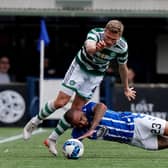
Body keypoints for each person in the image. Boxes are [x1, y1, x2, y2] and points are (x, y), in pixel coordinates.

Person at [23, 19, 136, 155]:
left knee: (76, 111)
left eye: (114, 39)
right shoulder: (95, 33)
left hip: (95, 75)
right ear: (105, 31)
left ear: (119, 36)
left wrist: (126, 88)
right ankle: (34, 122)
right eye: (108, 38)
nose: (110, 42)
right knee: (61, 102)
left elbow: (122, 67)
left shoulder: (122, 46)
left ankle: (52, 139)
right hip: (79, 68)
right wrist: (97, 48)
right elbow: (89, 48)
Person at [55, 101, 168, 151]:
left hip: (136, 122)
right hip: (133, 140)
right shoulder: (78, 132)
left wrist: (92, 129)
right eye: (78, 124)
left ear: (81, 112)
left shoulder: (89, 108)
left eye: (81, 119)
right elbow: (73, 143)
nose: (82, 123)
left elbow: (102, 107)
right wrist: (71, 147)